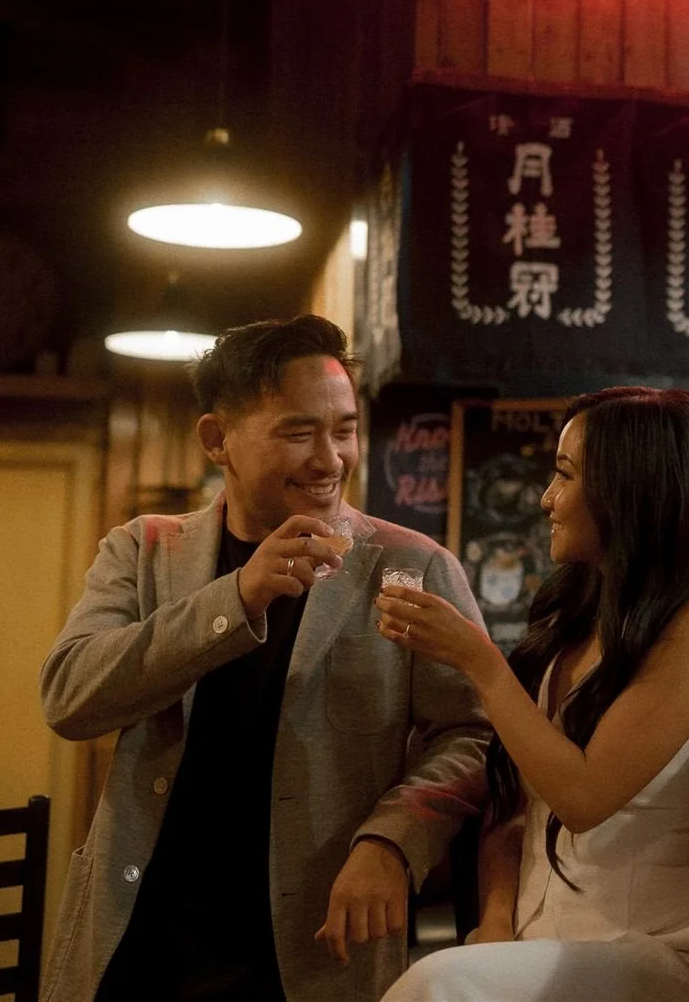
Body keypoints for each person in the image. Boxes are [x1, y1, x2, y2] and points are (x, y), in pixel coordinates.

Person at [38, 316, 491, 1002]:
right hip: (136, 939)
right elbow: (71, 695)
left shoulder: (410, 565)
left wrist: (394, 839)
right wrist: (237, 597)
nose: (331, 458)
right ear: (218, 439)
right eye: (299, 431)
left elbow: (474, 732)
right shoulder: (145, 549)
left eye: (344, 429)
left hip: (310, 950)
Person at [373, 386, 689, 1002]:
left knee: (435, 985)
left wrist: (477, 659)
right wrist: (497, 922)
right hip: (537, 943)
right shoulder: (577, 620)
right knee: (455, 972)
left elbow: (582, 797)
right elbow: (511, 812)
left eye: (563, 474)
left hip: (656, 950)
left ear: (631, 489)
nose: (546, 499)